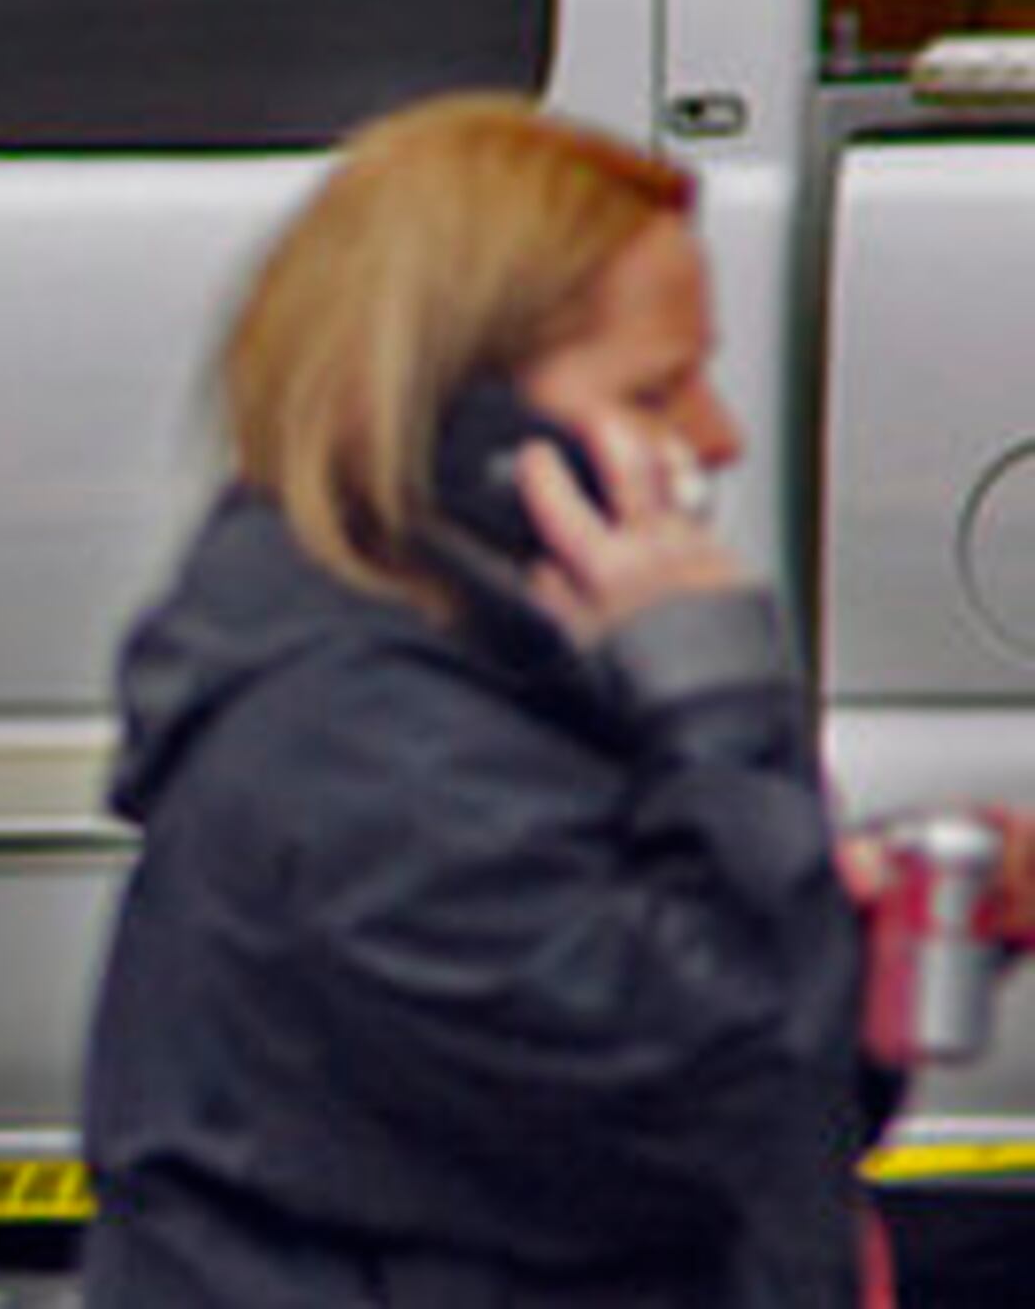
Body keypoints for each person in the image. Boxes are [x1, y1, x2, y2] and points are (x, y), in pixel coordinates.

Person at [77, 94, 880, 1304]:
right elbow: (727, 1084)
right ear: (469, 422)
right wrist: (723, 710)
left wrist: (887, 953)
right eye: (658, 393)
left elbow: (774, 1070)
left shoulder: (488, 691)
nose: (715, 439)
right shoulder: (368, 760)